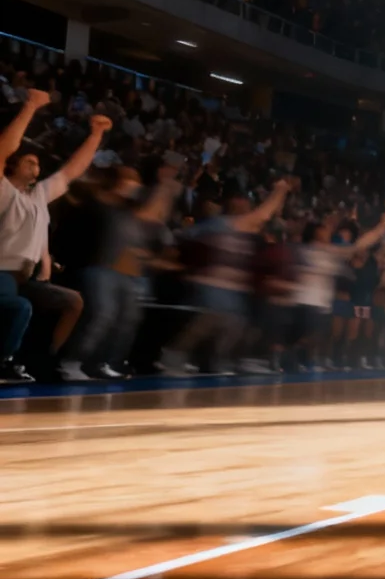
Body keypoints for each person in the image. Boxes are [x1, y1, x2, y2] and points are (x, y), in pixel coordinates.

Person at [0, 92, 109, 380]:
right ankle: (5, 361)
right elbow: (3, 148)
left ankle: (47, 360)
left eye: (37, 164)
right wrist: (31, 106)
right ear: (12, 164)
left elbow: (71, 171)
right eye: (29, 162)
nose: (36, 167)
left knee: (73, 302)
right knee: (19, 306)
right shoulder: (3, 190)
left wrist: (96, 135)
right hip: (2, 272)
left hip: (25, 276)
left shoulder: (37, 196)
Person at [158, 178, 295, 375]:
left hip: (231, 285)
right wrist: (279, 190)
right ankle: (173, 355)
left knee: (234, 325)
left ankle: (213, 361)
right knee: (208, 322)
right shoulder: (223, 224)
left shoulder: (239, 228)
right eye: (242, 202)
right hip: (212, 282)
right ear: (232, 205)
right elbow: (263, 215)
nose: (247, 206)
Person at [58, 164, 178, 381]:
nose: (134, 186)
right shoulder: (93, 205)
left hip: (125, 273)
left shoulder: (126, 211)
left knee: (127, 320)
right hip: (97, 269)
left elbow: (154, 215)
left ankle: (102, 362)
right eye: (128, 179)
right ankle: (72, 361)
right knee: (102, 314)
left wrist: (165, 185)